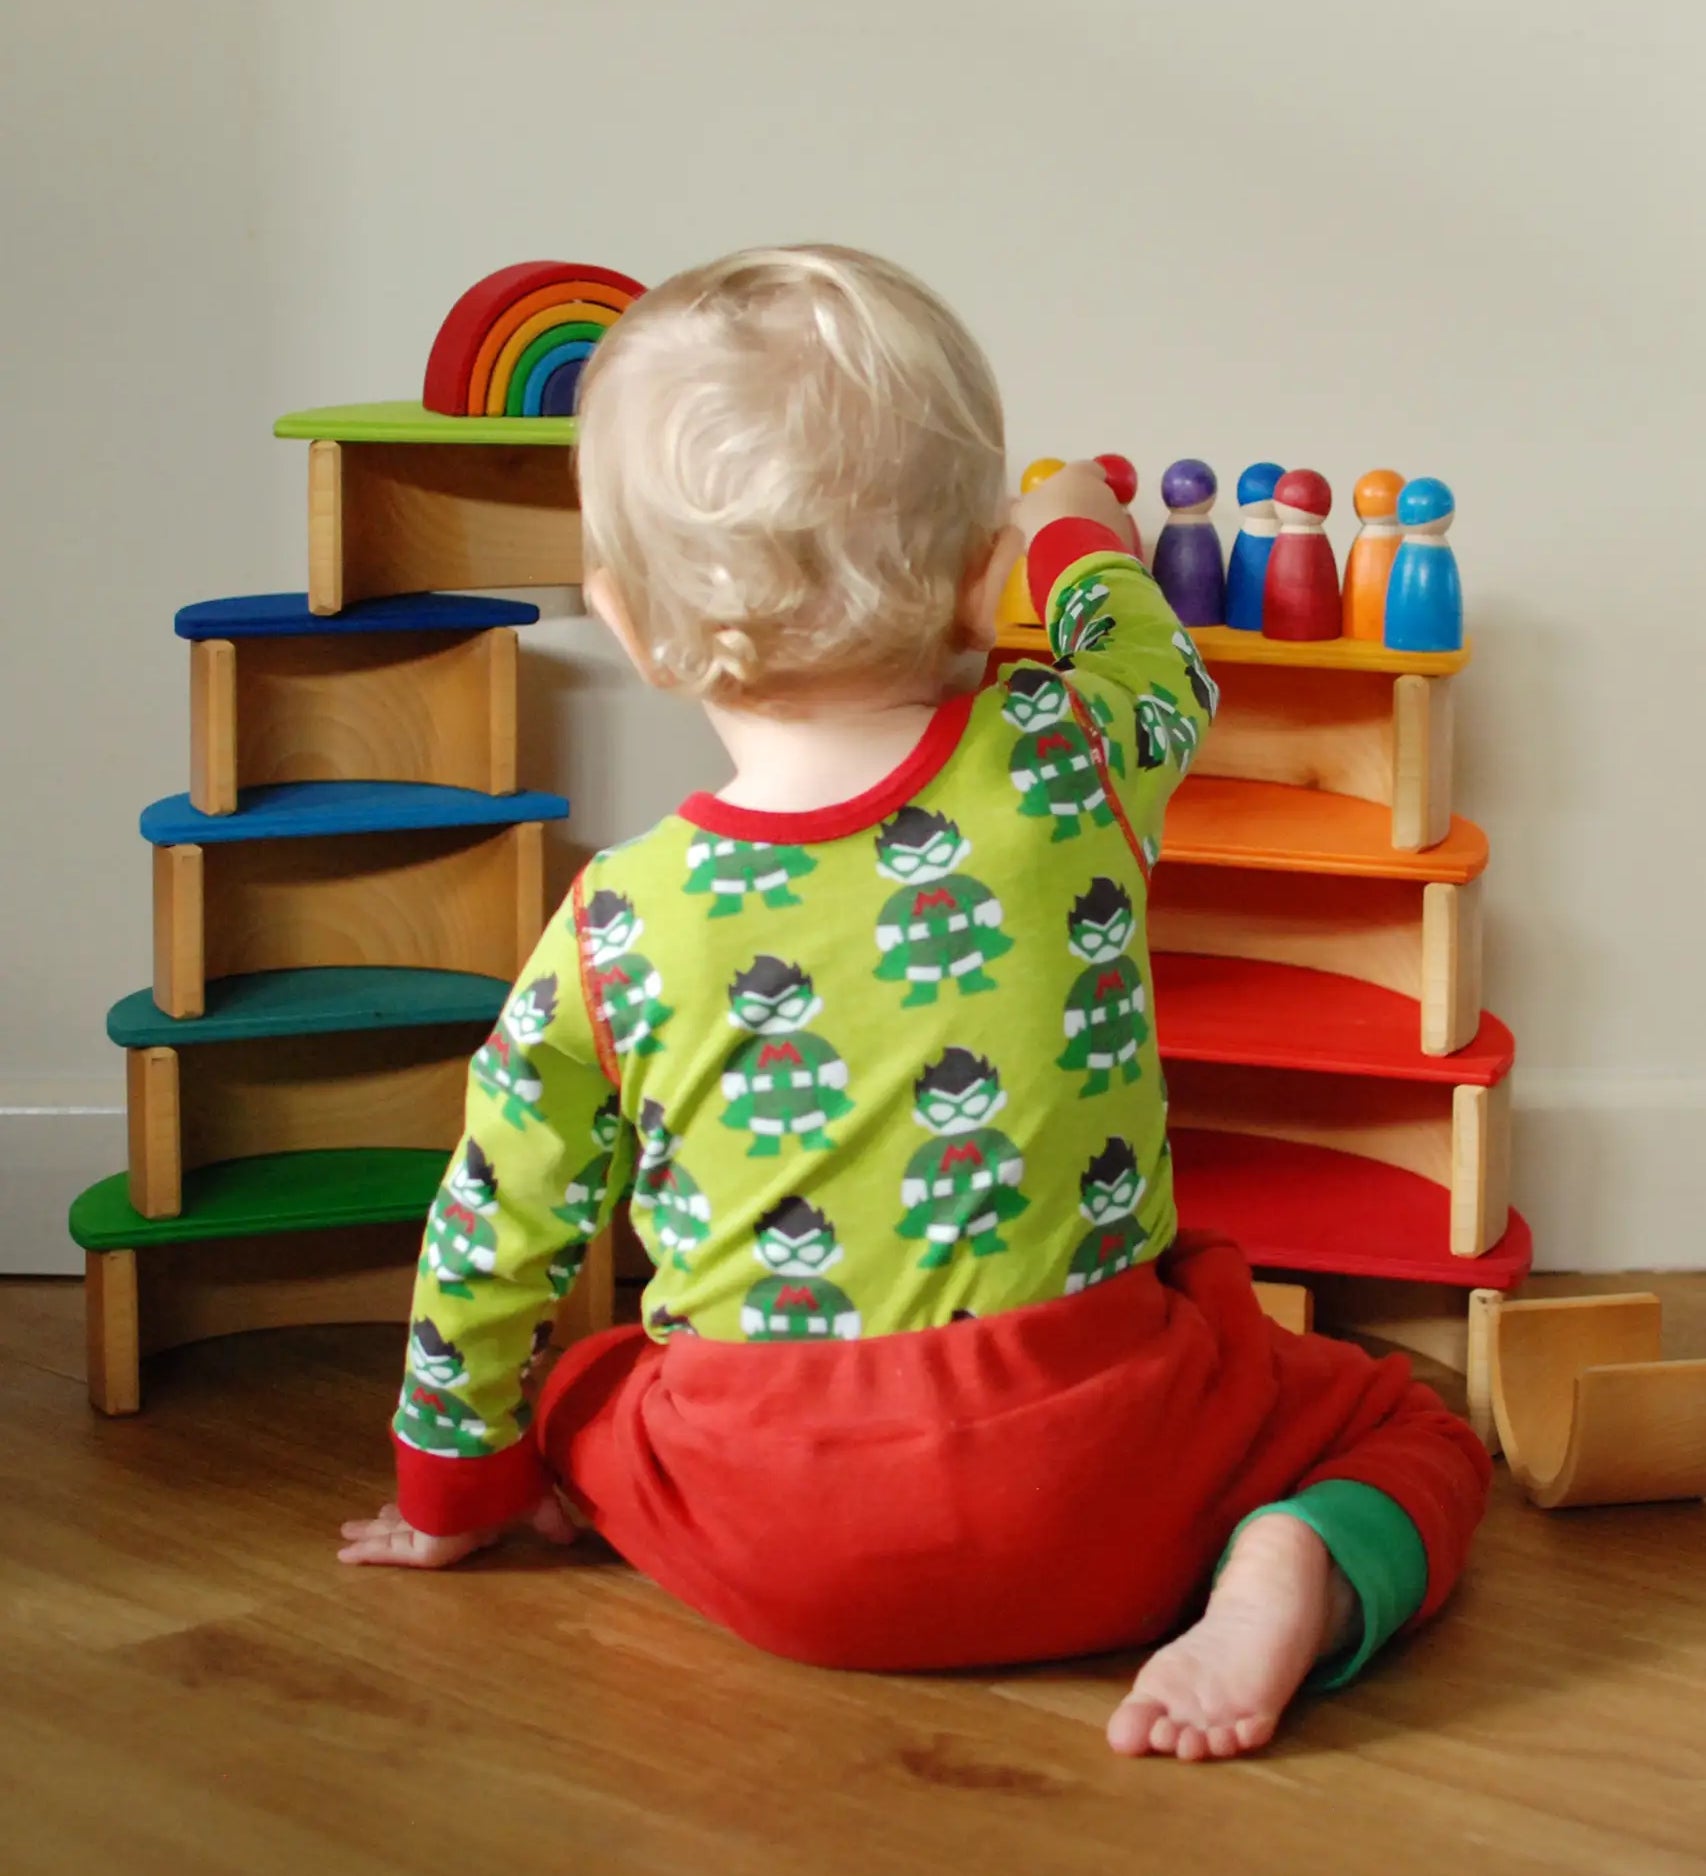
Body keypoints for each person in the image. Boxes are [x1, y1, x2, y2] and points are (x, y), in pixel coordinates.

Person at [340, 246, 1489, 1763]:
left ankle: (555, 1494)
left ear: (621, 619)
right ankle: (1294, 1574)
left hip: (776, 1539)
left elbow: (499, 1218)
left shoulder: (616, 920)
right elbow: (1159, 663)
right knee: (1409, 1424)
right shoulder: (1067, 760)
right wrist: (1071, 533)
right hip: (1107, 1484)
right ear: (975, 579)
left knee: (586, 1388)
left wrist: (453, 1487)